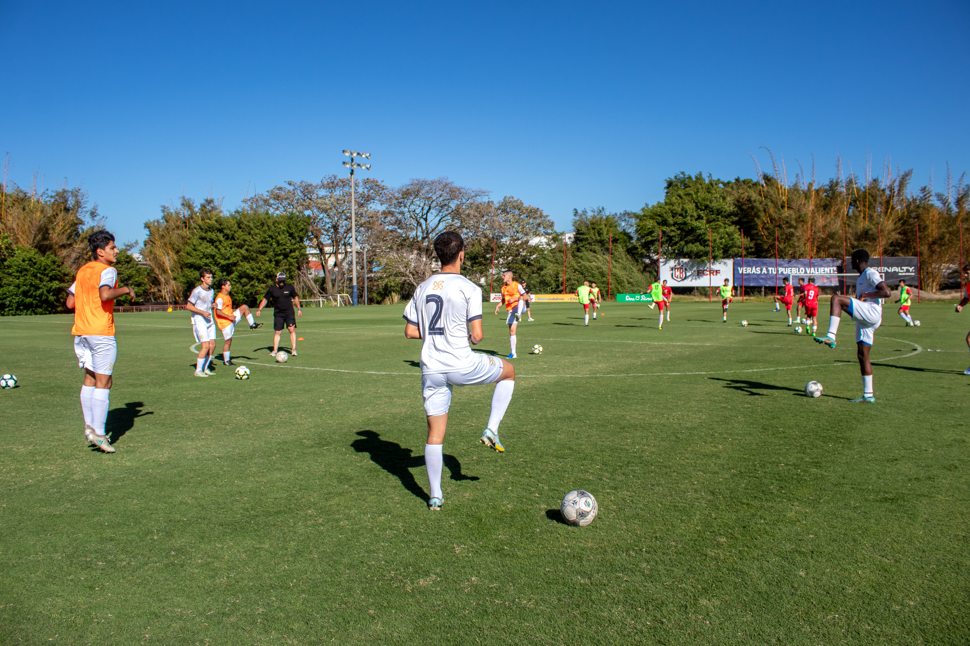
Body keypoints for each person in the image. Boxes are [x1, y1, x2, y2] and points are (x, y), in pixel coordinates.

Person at [404, 231, 516, 511]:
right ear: (461, 254)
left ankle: (435, 496)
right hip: (462, 365)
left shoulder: (422, 287)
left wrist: (435, 334)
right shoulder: (469, 288)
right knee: (509, 371)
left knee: (435, 435)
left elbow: (410, 331)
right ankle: (492, 428)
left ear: (438, 255)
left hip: (431, 369)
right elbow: (477, 336)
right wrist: (462, 335)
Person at [65, 230, 136, 453]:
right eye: (112, 248)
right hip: (101, 332)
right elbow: (105, 295)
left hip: (81, 332)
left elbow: (69, 302)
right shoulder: (108, 270)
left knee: (90, 378)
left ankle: (89, 427)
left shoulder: (83, 271)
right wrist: (126, 289)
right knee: (104, 383)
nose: (116, 251)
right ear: (100, 251)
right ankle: (100, 433)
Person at [814, 249, 891, 402]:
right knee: (863, 355)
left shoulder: (870, 272)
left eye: (850, 260)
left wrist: (865, 295)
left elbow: (886, 292)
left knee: (836, 299)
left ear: (856, 261)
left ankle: (831, 336)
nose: (849, 262)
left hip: (871, 311)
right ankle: (868, 395)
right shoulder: (862, 276)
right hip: (867, 319)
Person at [213, 278, 262, 366]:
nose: (230, 287)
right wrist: (229, 317)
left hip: (231, 318)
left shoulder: (227, 295)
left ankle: (252, 324)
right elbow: (218, 311)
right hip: (225, 322)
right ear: (223, 286)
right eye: (228, 285)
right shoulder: (219, 298)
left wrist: (231, 316)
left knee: (244, 307)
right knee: (228, 341)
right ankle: (227, 361)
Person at [257, 272, 302, 358]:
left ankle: (293, 349)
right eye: (280, 281)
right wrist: (259, 309)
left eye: (283, 281)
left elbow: (295, 298)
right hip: (278, 313)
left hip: (289, 312)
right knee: (277, 332)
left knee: (291, 329)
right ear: (276, 280)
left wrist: (299, 308)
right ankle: (274, 350)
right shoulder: (272, 289)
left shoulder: (289, 287)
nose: (282, 282)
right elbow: (265, 299)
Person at [186, 269, 216, 377]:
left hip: (209, 320)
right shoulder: (197, 291)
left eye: (211, 277)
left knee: (212, 345)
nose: (210, 279)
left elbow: (208, 303)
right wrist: (202, 312)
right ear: (202, 279)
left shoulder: (211, 290)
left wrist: (213, 305)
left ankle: (205, 367)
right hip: (199, 320)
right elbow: (189, 306)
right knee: (205, 346)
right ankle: (198, 371)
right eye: (208, 277)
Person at [494, 270, 526, 357]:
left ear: (509, 277)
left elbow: (525, 296)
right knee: (512, 331)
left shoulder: (517, 285)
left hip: (520, 306)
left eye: (504, 275)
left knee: (520, 298)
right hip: (511, 310)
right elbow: (504, 300)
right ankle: (513, 353)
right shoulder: (503, 288)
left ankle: (519, 314)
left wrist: (515, 299)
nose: (502, 277)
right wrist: (498, 306)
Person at [955, 265, 970, 375]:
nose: (965, 275)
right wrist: (960, 305)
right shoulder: (968, 285)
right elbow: (966, 298)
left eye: (968, 273)